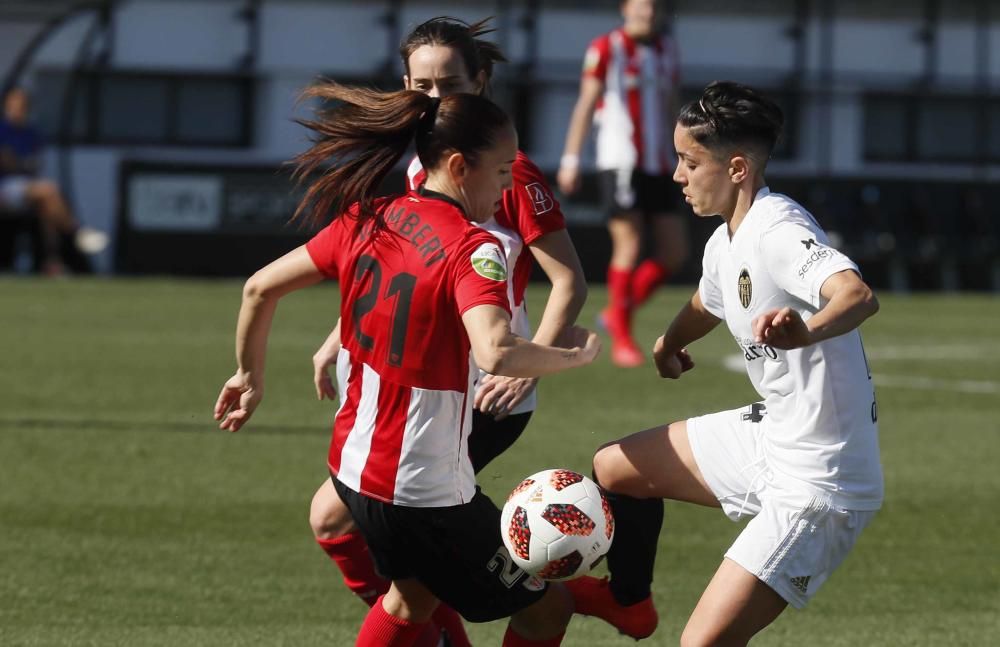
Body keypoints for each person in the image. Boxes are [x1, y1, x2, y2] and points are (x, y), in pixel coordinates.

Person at [214, 83, 600, 647]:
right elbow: (495, 351)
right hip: (424, 490)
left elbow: (257, 290)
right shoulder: (474, 249)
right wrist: (574, 354)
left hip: (351, 466)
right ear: (460, 166)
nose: (509, 185)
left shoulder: (370, 215)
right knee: (547, 611)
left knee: (413, 597)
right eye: (500, 172)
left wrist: (249, 376)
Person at [565, 81, 883, 645]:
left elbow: (856, 296)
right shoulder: (725, 240)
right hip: (773, 436)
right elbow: (708, 301)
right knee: (615, 467)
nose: (676, 176)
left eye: (689, 162)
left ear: (736, 167)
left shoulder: (779, 230)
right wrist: (667, 343)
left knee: (702, 644)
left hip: (820, 478)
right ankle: (628, 603)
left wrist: (804, 332)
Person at [306, 17, 587, 646]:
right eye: (421, 84)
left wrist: (522, 372)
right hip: (423, 387)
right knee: (362, 542)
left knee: (347, 528)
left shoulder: (504, 170)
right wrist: (338, 336)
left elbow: (568, 282)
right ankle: (571, 599)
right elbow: (400, 274)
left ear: (481, 83)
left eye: (449, 84)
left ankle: (546, 605)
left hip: (478, 392)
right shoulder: (423, 167)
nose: (434, 99)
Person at [557, 0, 688, 367]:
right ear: (626, 8)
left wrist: (687, 153)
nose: (647, 13)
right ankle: (624, 339)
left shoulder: (666, 50)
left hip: (660, 162)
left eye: (653, 7)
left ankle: (617, 313)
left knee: (674, 252)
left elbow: (673, 104)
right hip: (620, 162)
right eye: (641, 6)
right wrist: (571, 159)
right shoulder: (605, 48)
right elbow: (586, 103)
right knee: (628, 246)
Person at [0, 87, 107, 274]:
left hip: (24, 189)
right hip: (5, 187)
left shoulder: (32, 134)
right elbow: (8, 163)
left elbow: (31, 165)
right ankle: (77, 233)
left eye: (23, 106)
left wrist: (17, 163)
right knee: (49, 191)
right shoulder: (2, 130)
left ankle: (51, 261)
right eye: (15, 105)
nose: (19, 110)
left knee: (48, 207)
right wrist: (16, 163)